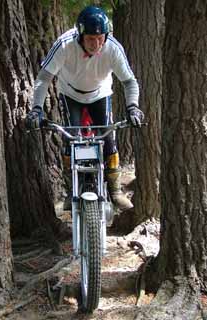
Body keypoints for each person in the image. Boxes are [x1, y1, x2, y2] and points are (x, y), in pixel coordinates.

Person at [26, 6, 144, 211]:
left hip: (100, 94)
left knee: (108, 138)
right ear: (80, 35)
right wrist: (36, 109)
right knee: (70, 138)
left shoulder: (112, 48)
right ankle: (71, 190)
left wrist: (133, 107)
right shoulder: (64, 45)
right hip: (70, 95)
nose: (96, 44)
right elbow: (44, 78)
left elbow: (129, 81)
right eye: (91, 38)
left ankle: (115, 191)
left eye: (100, 38)